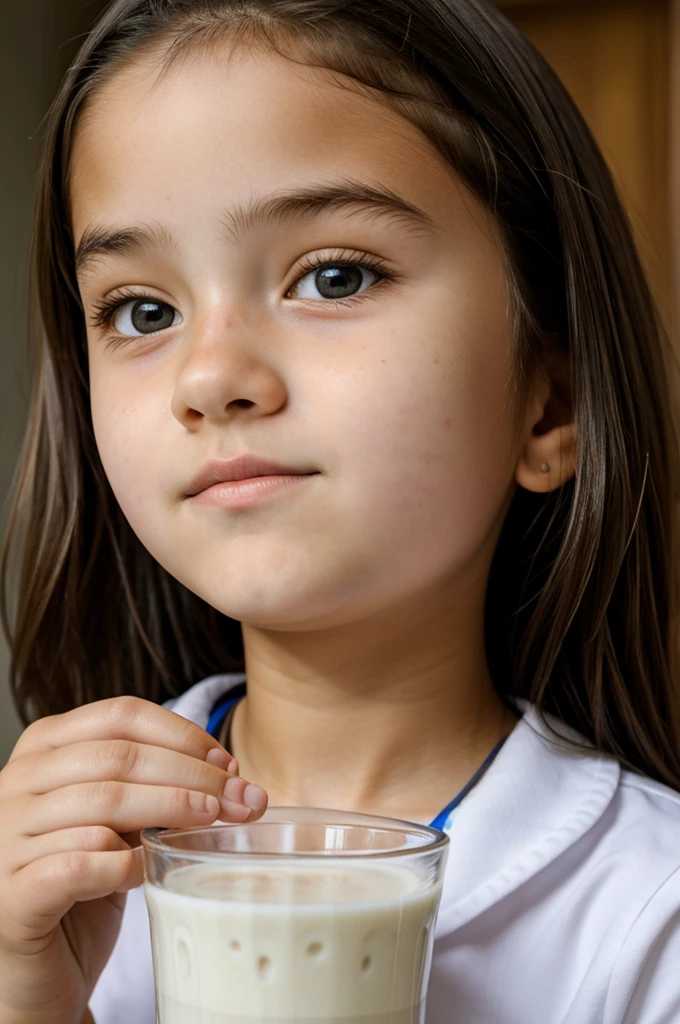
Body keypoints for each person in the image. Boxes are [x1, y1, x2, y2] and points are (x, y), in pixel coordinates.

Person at [1, 0, 679, 1020]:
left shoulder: (649, 922)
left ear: (549, 403)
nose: (213, 376)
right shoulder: (40, 892)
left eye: (332, 276)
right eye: (144, 311)